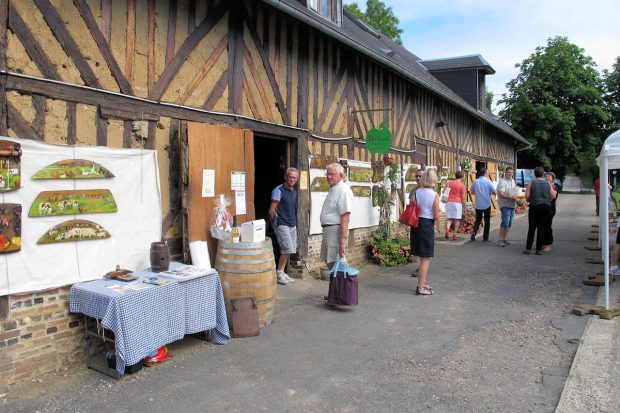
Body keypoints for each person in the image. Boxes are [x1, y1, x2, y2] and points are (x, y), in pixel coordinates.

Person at [410, 168, 440, 295]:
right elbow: (436, 216)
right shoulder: (434, 195)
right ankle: (421, 286)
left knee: (422, 257)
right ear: (434, 179)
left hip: (416, 224)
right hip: (427, 224)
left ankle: (422, 283)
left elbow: (412, 206)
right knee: (425, 258)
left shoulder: (416, 192)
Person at [320, 163, 354, 272]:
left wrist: (342, 242)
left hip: (335, 230)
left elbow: (345, 218)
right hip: (329, 229)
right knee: (329, 260)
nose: (329, 177)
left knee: (334, 261)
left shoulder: (343, 191)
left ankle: (341, 286)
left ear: (341, 175)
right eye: (327, 174)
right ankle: (338, 286)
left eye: (332, 174)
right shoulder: (334, 188)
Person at [269, 167, 299, 285]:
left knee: (290, 249)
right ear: (286, 177)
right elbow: (271, 210)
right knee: (286, 249)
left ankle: (281, 272)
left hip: (292, 224)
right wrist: (275, 224)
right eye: (290, 177)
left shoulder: (293, 191)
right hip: (282, 224)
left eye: (294, 178)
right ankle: (279, 273)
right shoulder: (278, 190)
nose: (292, 179)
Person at [523, 166, 557, 255]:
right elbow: (553, 196)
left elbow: (527, 196)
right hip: (546, 207)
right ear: (543, 174)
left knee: (532, 228)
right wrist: (546, 200)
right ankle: (538, 250)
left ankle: (528, 249)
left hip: (535, 206)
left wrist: (531, 199)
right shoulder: (548, 183)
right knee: (541, 228)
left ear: (535, 174)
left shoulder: (531, 183)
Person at [469, 167, 496, 242]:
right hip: (487, 204)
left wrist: (478, 193)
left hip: (478, 204)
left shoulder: (475, 181)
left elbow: (472, 192)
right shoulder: (489, 182)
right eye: (488, 173)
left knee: (478, 220)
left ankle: (474, 233)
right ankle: (485, 238)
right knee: (487, 221)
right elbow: (494, 192)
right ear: (486, 173)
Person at [496, 166, 517, 247]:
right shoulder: (502, 182)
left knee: (509, 223)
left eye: (511, 172)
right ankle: (500, 240)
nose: (510, 174)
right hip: (505, 204)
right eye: (508, 172)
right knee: (505, 222)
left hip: (512, 204)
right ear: (505, 172)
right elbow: (501, 194)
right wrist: (509, 197)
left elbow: (514, 191)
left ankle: (505, 239)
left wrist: (517, 195)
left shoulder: (513, 181)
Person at [444, 170, 467, 241]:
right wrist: (464, 207)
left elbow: (444, 191)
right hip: (457, 203)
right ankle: (454, 235)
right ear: (462, 177)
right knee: (457, 219)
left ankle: (447, 230)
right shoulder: (462, 185)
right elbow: (463, 197)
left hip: (449, 202)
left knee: (449, 218)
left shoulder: (449, 183)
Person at [410, 169, 424, 276]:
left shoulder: (430, 191)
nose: (418, 178)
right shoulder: (413, 191)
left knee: (423, 246)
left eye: (420, 176)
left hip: (425, 222)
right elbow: (410, 206)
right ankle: (420, 267)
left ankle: (421, 268)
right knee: (417, 245)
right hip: (415, 221)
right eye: (416, 176)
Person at [542, 171, 560, 252]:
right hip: (544, 207)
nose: (547, 178)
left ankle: (548, 244)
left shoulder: (554, 186)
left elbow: (553, 197)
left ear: (553, 179)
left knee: (548, 226)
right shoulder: (545, 185)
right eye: (547, 177)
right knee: (543, 225)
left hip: (551, 208)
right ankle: (543, 243)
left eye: (549, 177)